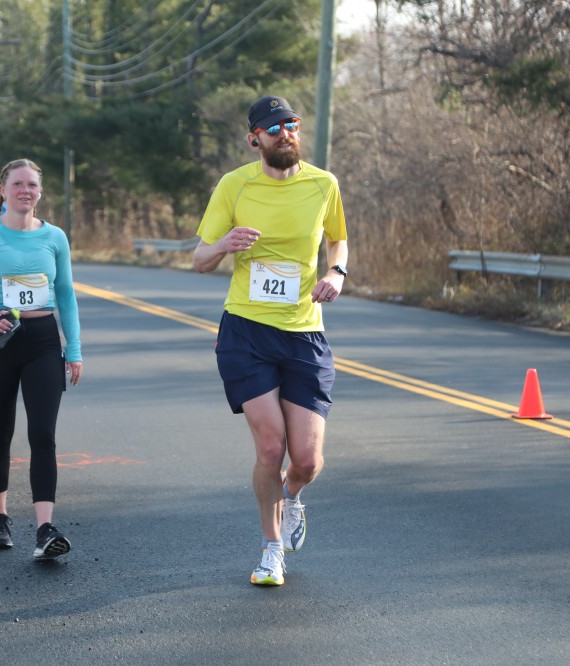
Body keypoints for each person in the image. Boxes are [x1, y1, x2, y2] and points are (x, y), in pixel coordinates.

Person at [192, 95, 349, 587]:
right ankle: (271, 550)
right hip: (247, 330)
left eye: (292, 124)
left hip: (304, 333)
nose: (286, 133)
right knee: (270, 446)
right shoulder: (234, 185)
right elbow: (199, 258)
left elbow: (338, 238)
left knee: (308, 460)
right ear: (254, 139)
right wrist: (224, 244)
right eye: (275, 128)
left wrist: (336, 272)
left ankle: (291, 495)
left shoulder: (323, 184)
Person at [0, 158, 83, 561]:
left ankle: (46, 529)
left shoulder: (55, 237)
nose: (25, 191)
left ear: (39, 192)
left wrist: (74, 349)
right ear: (4, 190)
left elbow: (66, 295)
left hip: (42, 340)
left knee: (43, 434)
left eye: (32, 185)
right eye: (17, 184)